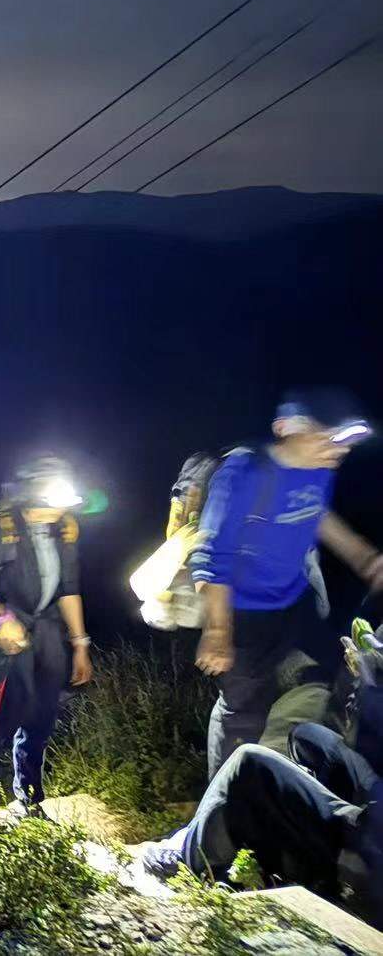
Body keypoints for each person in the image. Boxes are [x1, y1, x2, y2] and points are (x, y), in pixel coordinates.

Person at [134, 628, 383, 925]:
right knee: (308, 738)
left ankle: (189, 857)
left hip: (372, 836)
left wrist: (371, 689)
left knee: (248, 762)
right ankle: (296, 845)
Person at [190, 388, 381, 773]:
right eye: (329, 438)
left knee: (339, 671)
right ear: (289, 429)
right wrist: (217, 631)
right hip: (243, 614)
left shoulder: (319, 469)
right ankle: (224, 802)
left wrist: (366, 558)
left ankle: (306, 769)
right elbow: (212, 557)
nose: (338, 451)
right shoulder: (243, 473)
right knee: (242, 710)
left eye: (346, 441)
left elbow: (317, 514)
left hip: (294, 599)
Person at [0, 455, 95, 830]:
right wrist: (2, 620)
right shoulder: (0, 529)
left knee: (41, 718)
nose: (64, 505)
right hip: (9, 633)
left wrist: (80, 644)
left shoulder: (63, 530)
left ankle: (29, 800)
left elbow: (69, 589)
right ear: (34, 492)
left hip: (48, 634)